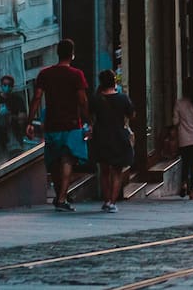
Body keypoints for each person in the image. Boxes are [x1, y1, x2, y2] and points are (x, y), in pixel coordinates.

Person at [29, 40, 89, 212]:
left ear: (57, 53)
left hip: (52, 123)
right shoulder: (76, 75)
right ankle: (62, 197)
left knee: (54, 161)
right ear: (72, 54)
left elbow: (37, 97)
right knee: (67, 159)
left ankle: (59, 195)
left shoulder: (45, 74)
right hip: (71, 123)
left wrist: (29, 121)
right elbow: (82, 100)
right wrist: (88, 120)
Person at [89, 69, 135, 213]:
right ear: (114, 81)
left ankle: (106, 199)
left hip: (101, 137)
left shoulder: (96, 99)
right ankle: (112, 202)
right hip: (119, 137)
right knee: (117, 171)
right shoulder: (123, 98)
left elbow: (90, 115)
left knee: (104, 171)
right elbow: (132, 114)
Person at [0, 74, 29, 154]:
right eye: (5, 85)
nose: (7, 87)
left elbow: (23, 116)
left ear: (12, 86)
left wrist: (11, 117)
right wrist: (0, 119)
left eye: (9, 85)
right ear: (1, 85)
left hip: (15, 133)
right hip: (0, 135)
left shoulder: (17, 99)